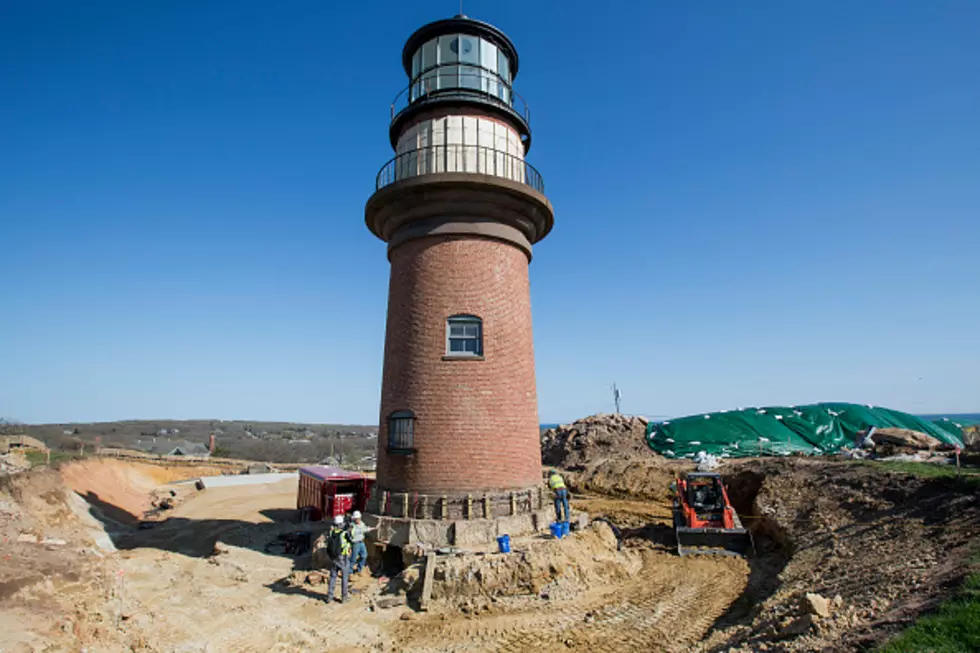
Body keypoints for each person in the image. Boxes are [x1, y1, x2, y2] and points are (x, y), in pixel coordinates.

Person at [326, 515, 353, 603]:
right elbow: (351, 540)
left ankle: (329, 597)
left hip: (333, 558)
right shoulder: (344, 534)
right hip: (342, 558)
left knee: (333, 577)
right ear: (341, 524)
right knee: (344, 578)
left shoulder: (331, 532)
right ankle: (344, 597)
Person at [349, 510, 376, 574]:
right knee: (353, 558)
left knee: (364, 555)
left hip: (361, 542)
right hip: (355, 543)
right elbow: (355, 532)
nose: (358, 520)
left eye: (359, 518)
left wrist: (372, 528)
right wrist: (363, 530)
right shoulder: (352, 525)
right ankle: (349, 572)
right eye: (357, 519)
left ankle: (359, 569)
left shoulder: (361, 523)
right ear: (354, 519)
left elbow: (365, 528)